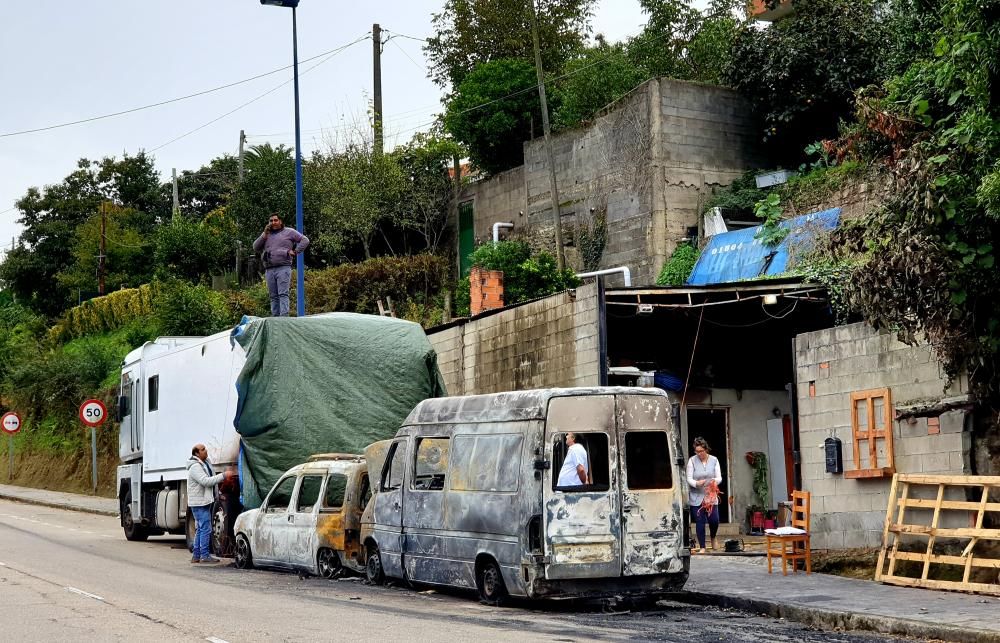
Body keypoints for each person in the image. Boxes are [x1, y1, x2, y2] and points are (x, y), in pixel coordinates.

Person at [253, 213, 309, 317]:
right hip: (269, 268)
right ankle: (275, 318)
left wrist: (296, 251)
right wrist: (264, 234)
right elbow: (255, 247)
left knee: (283, 293)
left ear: (280, 221)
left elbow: (305, 240)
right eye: (271, 221)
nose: (273, 222)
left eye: (275, 220)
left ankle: (284, 318)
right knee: (273, 296)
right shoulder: (267, 234)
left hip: (283, 267)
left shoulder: (289, 232)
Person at [187, 443, 233, 564]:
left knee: (200, 529)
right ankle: (204, 555)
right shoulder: (195, 467)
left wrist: (217, 494)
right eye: (203, 450)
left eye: (205, 448)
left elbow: (212, 481)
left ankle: (196, 556)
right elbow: (206, 482)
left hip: (203, 501)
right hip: (198, 503)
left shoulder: (205, 462)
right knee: (206, 529)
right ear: (196, 453)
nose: (205, 451)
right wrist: (223, 475)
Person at [686, 437, 723, 554]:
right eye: (697, 451)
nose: (699, 454)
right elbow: (688, 478)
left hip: (710, 495)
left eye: (701, 451)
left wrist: (714, 482)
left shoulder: (714, 460)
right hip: (696, 496)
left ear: (706, 449)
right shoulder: (692, 461)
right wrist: (696, 483)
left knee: (714, 520)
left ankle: (713, 537)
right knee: (699, 521)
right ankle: (702, 546)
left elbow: (719, 477)